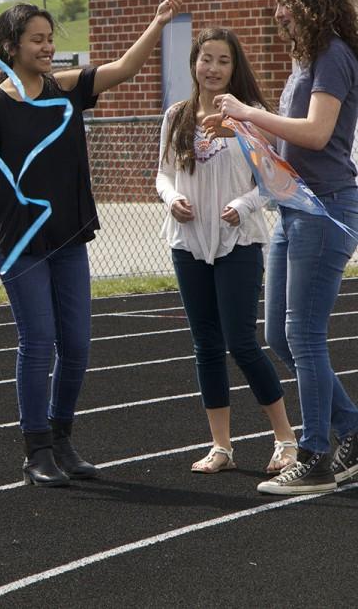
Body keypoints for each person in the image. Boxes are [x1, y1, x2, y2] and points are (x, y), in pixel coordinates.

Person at [0, 0, 183, 486]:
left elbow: (124, 68)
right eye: (37, 40)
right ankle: (35, 449)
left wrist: (158, 20)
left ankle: (62, 439)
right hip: (21, 244)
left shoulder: (65, 89)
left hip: (69, 238)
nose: (47, 47)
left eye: (50, 39)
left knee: (78, 346)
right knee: (38, 343)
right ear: (10, 46)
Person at [204, 0, 358, 495]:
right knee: (279, 335)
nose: (277, 11)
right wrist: (243, 134)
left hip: (327, 207)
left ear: (309, 3)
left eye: (285, 1)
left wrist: (249, 112)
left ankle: (316, 454)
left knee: (304, 335)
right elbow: (290, 141)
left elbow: (316, 133)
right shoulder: (307, 59)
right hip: (297, 206)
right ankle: (352, 430)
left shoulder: (334, 56)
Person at [156, 27, 297, 474]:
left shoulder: (250, 117)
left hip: (239, 242)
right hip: (189, 243)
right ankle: (221, 446)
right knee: (206, 346)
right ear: (194, 63)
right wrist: (170, 198)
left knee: (241, 341)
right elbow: (161, 174)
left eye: (223, 61)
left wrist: (243, 204)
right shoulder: (176, 116)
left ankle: (285, 438)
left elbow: (273, 183)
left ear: (235, 68)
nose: (212, 68)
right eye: (206, 59)